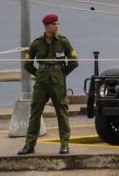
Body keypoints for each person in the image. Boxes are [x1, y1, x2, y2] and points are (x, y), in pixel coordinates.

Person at [17, 14, 79, 155]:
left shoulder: (64, 42)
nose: (56, 26)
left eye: (57, 24)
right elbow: (27, 63)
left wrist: (61, 74)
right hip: (42, 82)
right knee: (35, 112)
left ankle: (64, 144)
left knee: (61, 112)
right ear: (46, 26)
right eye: (53, 24)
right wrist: (38, 74)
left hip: (58, 82)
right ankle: (29, 145)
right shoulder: (37, 43)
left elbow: (74, 62)